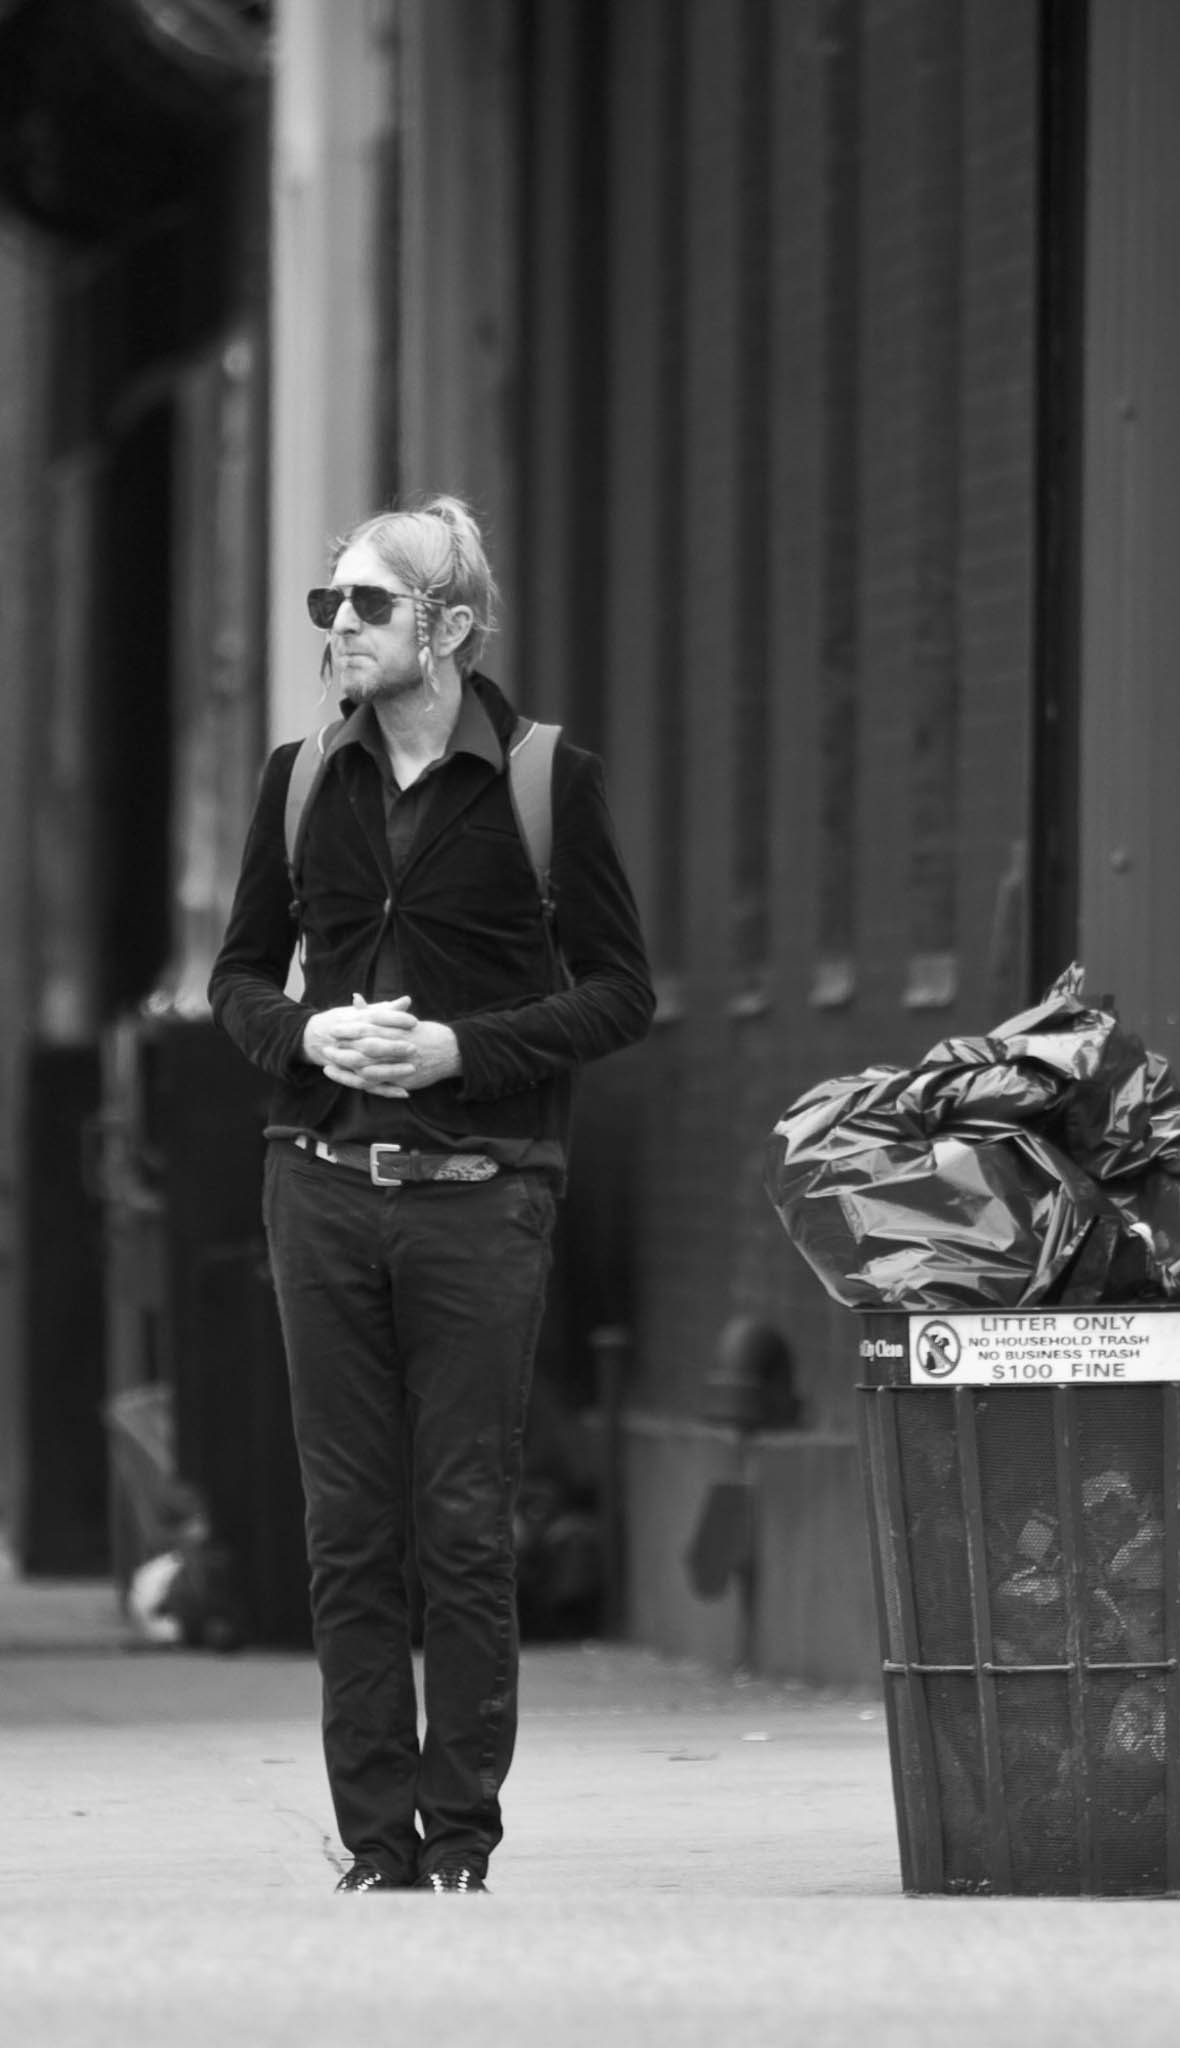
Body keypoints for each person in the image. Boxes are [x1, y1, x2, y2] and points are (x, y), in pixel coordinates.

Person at [208, 494, 654, 1895]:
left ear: (448, 628)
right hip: (319, 1183)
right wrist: (304, 1036)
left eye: (367, 605)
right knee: (349, 1529)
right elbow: (234, 978)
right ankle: (374, 1845)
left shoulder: (540, 780)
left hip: (482, 1193)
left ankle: (458, 1837)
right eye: (326, 605)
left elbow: (621, 992)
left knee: (461, 1519)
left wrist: (467, 1051)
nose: (338, 627)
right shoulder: (297, 782)